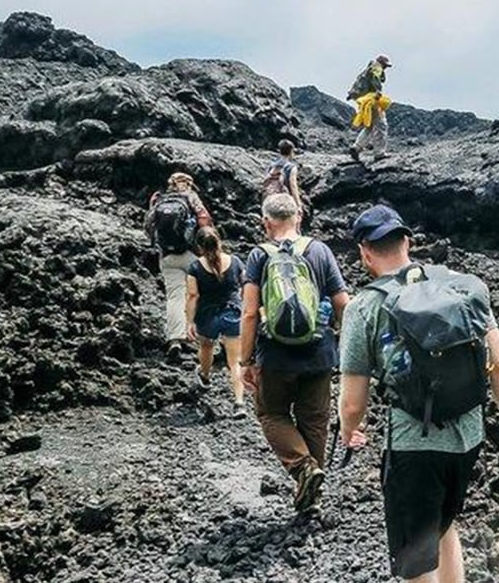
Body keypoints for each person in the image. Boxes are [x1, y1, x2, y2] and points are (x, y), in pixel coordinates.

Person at [338, 204, 499, 582]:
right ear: (408, 242)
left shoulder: (364, 306)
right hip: (468, 439)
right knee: (445, 525)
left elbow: (352, 402)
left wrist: (350, 430)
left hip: (414, 447)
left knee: (416, 559)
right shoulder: (464, 288)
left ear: (364, 252)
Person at [240, 193, 350, 512]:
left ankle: (303, 468)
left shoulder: (259, 256)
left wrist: (244, 361)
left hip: (274, 355)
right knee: (315, 419)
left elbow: (248, 313)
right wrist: (351, 348)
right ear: (298, 217)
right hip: (319, 352)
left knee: (271, 413)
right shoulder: (320, 250)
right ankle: (312, 493)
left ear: (265, 223)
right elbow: (342, 303)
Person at [144, 172, 213, 362]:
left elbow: (148, 225)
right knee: (199, 294)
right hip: (192, 255)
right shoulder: (191, 197)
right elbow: (204, 220)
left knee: (175, 297)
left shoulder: (159, 199)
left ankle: (175, 339)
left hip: (167, 256)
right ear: (189, 184)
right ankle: (197, 337)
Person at [185, 226, 248, 416]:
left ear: (198, 246)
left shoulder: (195, 268)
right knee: (235, 362)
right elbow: (246, 286)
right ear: (219, 240)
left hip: (207, 315)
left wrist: (189, 322)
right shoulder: (235, 262)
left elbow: (193, 295)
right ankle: (239, 403)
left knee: (206, 347)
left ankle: (204, 376)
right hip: (232, 312)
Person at [347, 54, 392, 162]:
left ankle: (356, 148)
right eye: (386, 65)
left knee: (370, 125)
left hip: (363, 100)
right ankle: (379, 153)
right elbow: (376, 78)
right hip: (371, 99)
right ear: (382, 63)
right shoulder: (377, 67)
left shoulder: (369, 67)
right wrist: (378, 92)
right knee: (381, 125)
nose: (386, 67)